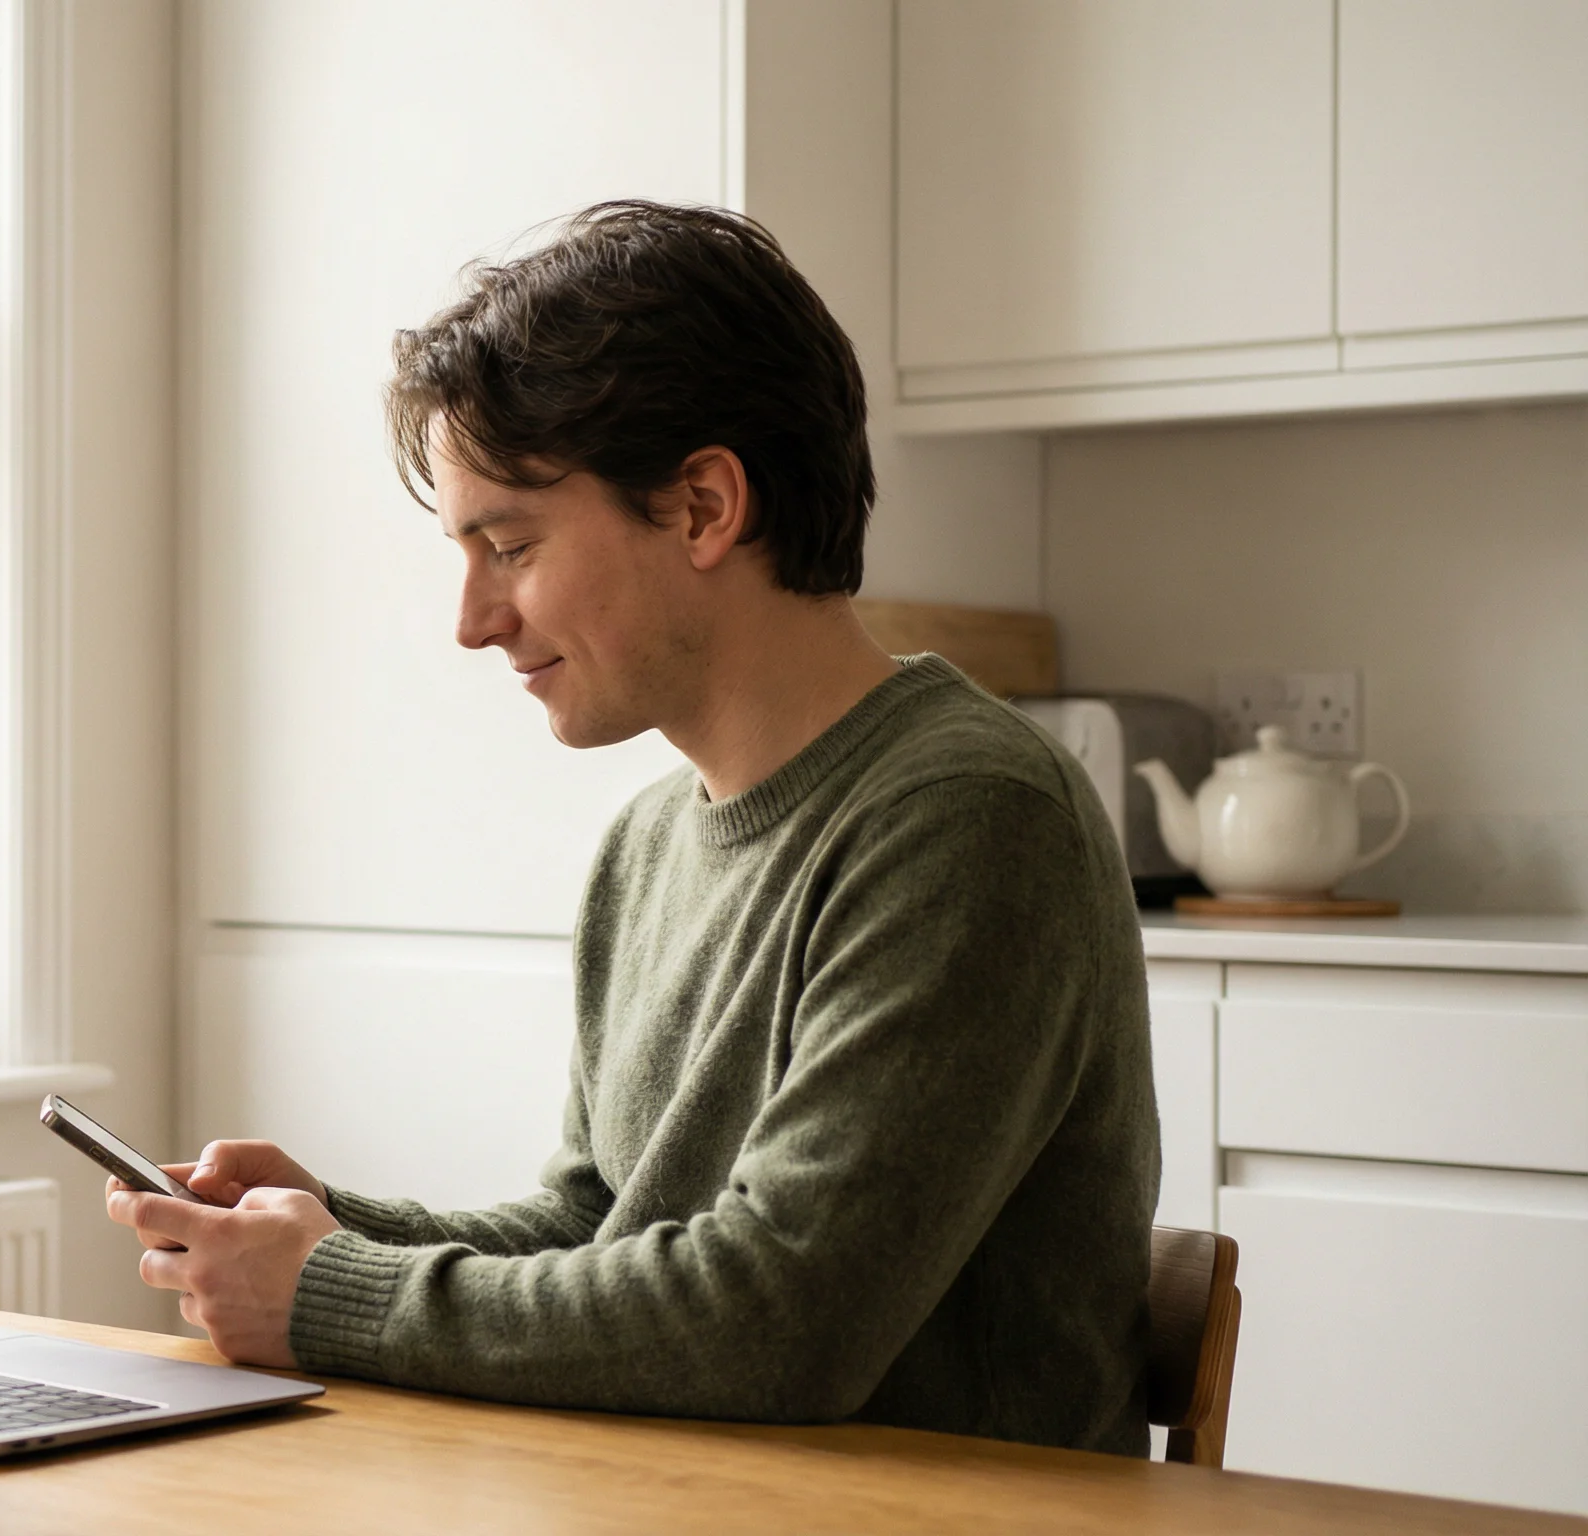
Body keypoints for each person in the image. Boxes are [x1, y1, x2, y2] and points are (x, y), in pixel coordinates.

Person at [107, 201, 1159, 1455]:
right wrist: (332, 1229)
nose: (472, 619)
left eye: (509, 545)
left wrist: (330, 1293)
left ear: (705, 506)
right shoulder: (648, 843)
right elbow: (599, 1231)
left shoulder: (969, 818)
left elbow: (782, 1317)